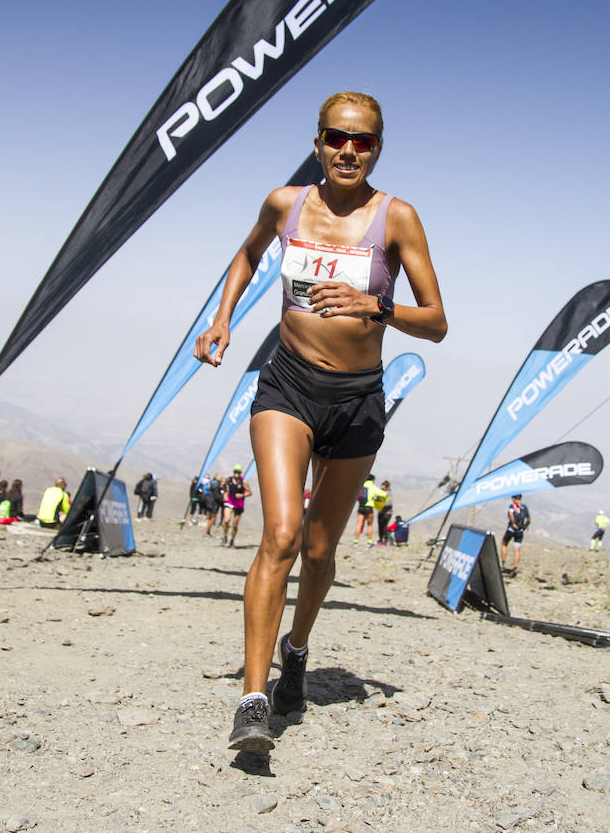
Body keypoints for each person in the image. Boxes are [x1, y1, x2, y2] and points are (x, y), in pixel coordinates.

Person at [194, 91, 446, 752]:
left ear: (378, 150)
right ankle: (253, 700)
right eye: (338, 138)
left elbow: (438, 321)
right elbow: (246, 255)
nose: (349, 151)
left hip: (359, 399)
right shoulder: (285, 204)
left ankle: (297, 652)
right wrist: (221, 319)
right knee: (279, 535)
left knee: (318, 550)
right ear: (318, 143)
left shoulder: (398, 218)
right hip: (289, 387)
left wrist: (377, 306)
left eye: (363, 142)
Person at [222, 465, 253, 547]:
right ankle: (225, 536)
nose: (236, 473)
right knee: (226, 520)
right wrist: (225, 493)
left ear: (240, 473)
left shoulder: (244, 482)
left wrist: (242, 495)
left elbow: (250, 492)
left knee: (235, 524)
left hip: (239, 504)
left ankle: (232, 539)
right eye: (235, 472)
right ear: (233, 472)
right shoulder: (229, 479)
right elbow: (223, 486)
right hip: (229, 501)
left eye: (238, 472)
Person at [503, 494, 530, 574]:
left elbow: (511, 514)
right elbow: (529, 519)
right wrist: (524, 527)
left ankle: (503, 563)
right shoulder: (524, 507)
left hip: (511, 530)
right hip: (520, 531)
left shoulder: (512, 506)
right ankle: (515, 567)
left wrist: (513, 523)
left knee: (504, 544)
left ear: (513, 498)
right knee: (517, 550)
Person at [354, 473, 379, 545]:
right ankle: (369, 541)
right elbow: (382, 494)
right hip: (369, 508)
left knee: (359, 524)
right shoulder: (372, 487)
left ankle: (356, 541)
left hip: (361, 507)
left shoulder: (361, 486)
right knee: (370, 525)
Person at [374, 480, 394, 545]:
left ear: (386, 487)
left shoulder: (389, 493)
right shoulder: (380, 492)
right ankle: (380, 540)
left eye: (383, 488)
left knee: (384, 526)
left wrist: (382, 504)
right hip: (380, 512)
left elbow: (390, 503)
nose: (382, 489)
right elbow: (376, 499)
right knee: (380, 526)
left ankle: (385, 540)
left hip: (387, 513)